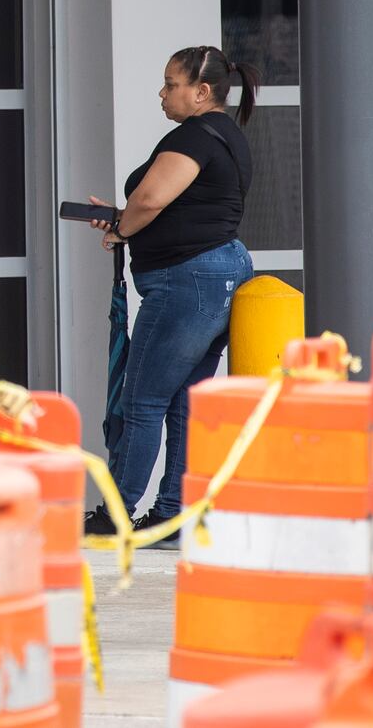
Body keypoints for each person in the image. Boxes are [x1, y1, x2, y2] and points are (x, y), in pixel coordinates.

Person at [84, 43, 257, 538]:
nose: (162, 94)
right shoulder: (224, 135)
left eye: (171, 84)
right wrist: (125, 219)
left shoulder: (196, 136)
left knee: (141, 401)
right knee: (181, 400)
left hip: (188, 280)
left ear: (202, 92)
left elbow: (152, 197)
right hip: (216, 273)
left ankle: (116, 515)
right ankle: (173, 514)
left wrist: (122, 229)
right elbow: (167, 206)